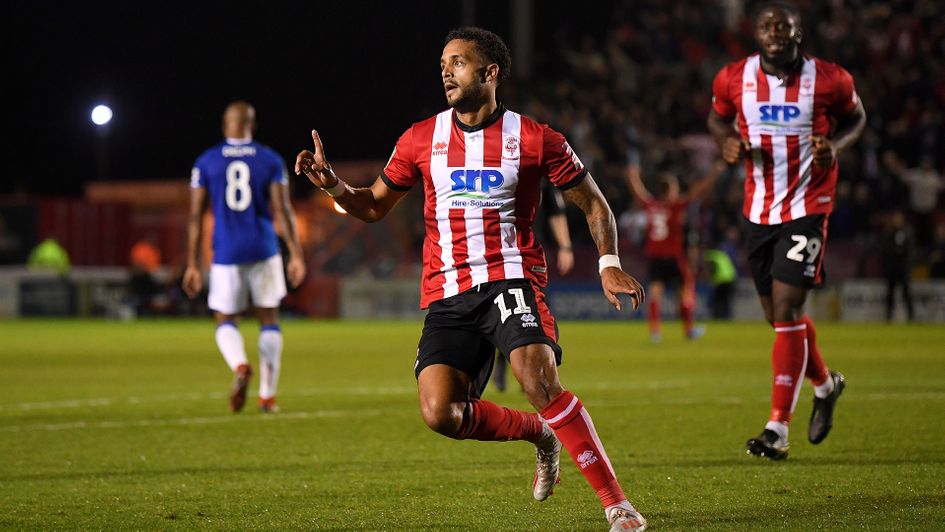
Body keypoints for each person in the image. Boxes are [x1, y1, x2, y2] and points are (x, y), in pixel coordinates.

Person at [295, 28, 648, 532]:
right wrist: (332, 183)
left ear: (490, 73)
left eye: (458, 62)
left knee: (537, 378)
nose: (446, 71)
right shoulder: (421, 137)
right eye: (443, 63)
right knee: (442, 413)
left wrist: (608, 263)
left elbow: (593, 201)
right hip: (448, 292)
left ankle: (618, 506)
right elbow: (372, 205)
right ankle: (539, 435)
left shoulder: (535, 138)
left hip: (511, 279)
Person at [707, 2, 866, 460]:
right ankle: (825, 383)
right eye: (767, 26)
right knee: (779, 319)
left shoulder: (831, 79)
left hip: (808, 206)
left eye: (784, 26)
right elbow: (717, 118)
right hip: (757, 210)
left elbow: (857, 118)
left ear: (799, 33)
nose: (775, 32)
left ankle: (777, 427)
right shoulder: (733, 77)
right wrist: (726, 143)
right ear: (756, 34)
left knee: (789, 308)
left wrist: (834, 147)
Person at [183, 101, 306, 414]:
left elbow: (195, 217)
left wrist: (193, 264)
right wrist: (295, 254)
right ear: (252, 124)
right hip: (264, 249)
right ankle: (267, 397)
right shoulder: (270, 159)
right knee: (269, 319)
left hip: (226, 251)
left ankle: (239, 365)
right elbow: (284, 210)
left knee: (225, 319)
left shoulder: (207, 161)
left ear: (226, 124)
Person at [627, 160, 726, 342]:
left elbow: (638, 193)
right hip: (673, 256)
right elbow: (698, 192)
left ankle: (655, 332)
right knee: (685, 293)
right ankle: (689, 330)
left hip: (655, 256)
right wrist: (714, 172)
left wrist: (633, 175)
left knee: (655, 293)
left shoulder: (651, 205)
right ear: (670, 190)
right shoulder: (675, 206)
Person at [492, 181, 573, 392]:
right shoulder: (500, 171)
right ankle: (505, 363)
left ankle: (532, 367)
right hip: (499, 256)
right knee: (506, 314)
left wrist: (565, 246)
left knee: (533, 314)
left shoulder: (541, 180)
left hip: (531, 258)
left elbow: (556, 213)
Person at [880, 210, 915, 322]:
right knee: (890, 294)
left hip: (903, 268)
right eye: (895, 218)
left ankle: (911, 316)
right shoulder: (889, 232)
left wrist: (908, 266)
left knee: (906, 293)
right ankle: (888, 317)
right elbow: (885, 250)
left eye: (898, 218)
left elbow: (910, 251)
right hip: (892, 268)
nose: (897, 220)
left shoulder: (907, 232)